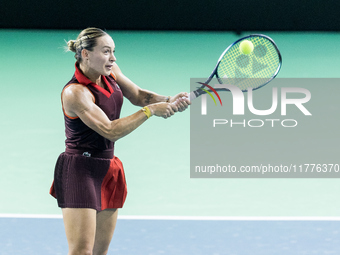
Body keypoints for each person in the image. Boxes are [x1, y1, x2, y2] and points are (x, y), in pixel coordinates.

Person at [49, 27, 190, 255]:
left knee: (99, 252)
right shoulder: (75, 93)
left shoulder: (111, 71)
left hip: (108, 168)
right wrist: (151, 110)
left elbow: (138, 95)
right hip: (80, 170)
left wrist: (168, 99)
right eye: (105, 52)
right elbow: (109, 130)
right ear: (85, 54)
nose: (112, 58)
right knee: (81, 252)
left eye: (113, 51)